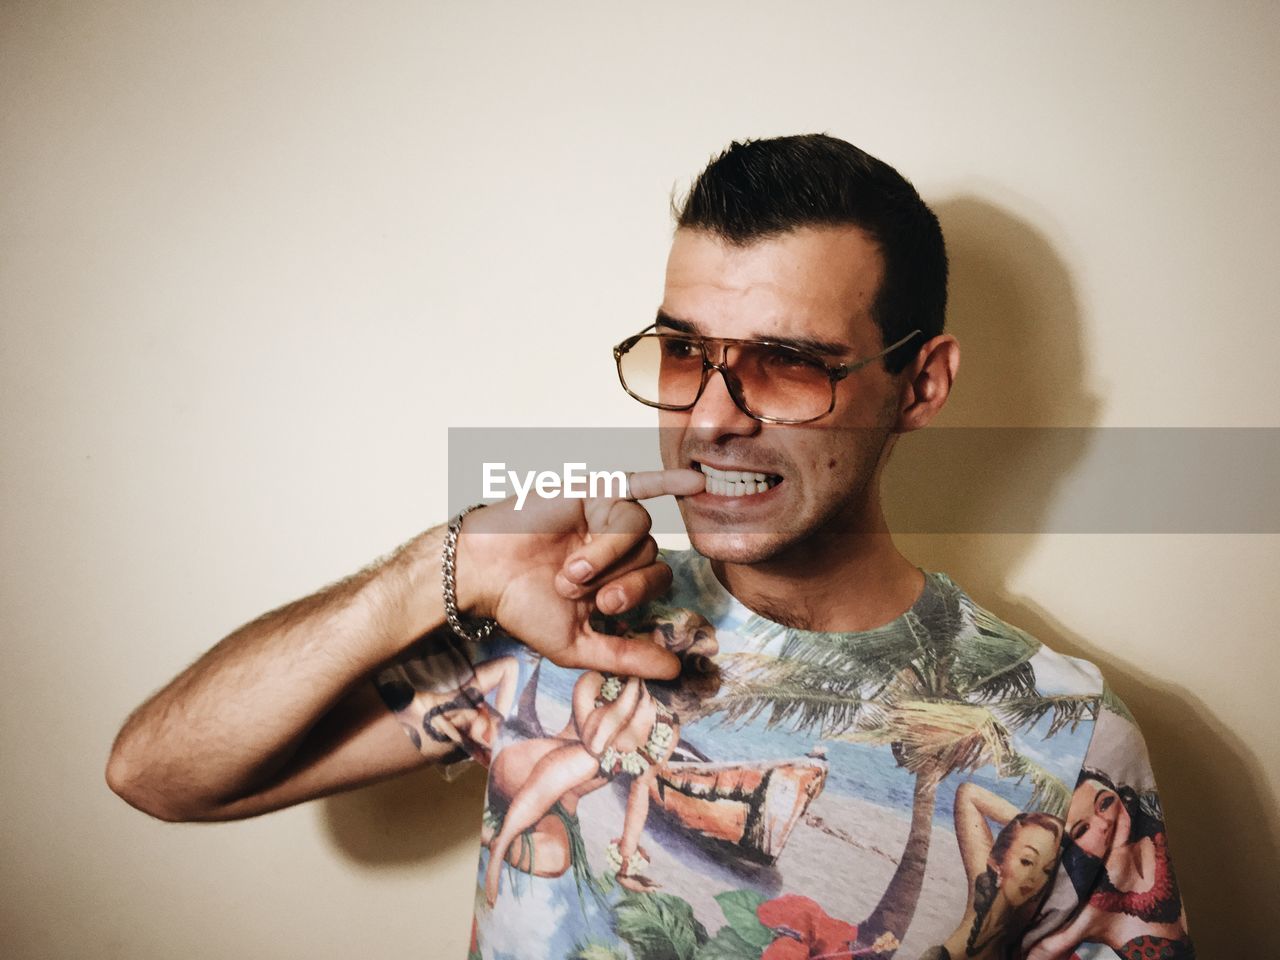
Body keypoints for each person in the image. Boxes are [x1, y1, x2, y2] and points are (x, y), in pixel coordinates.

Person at [106, 134, 1195, 959]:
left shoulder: (1066, 743)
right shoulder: (571, 625)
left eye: (784, 361)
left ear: (921, 383)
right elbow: (159, 775)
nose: (712, 416)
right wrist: (444, 570)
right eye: (683, 351)